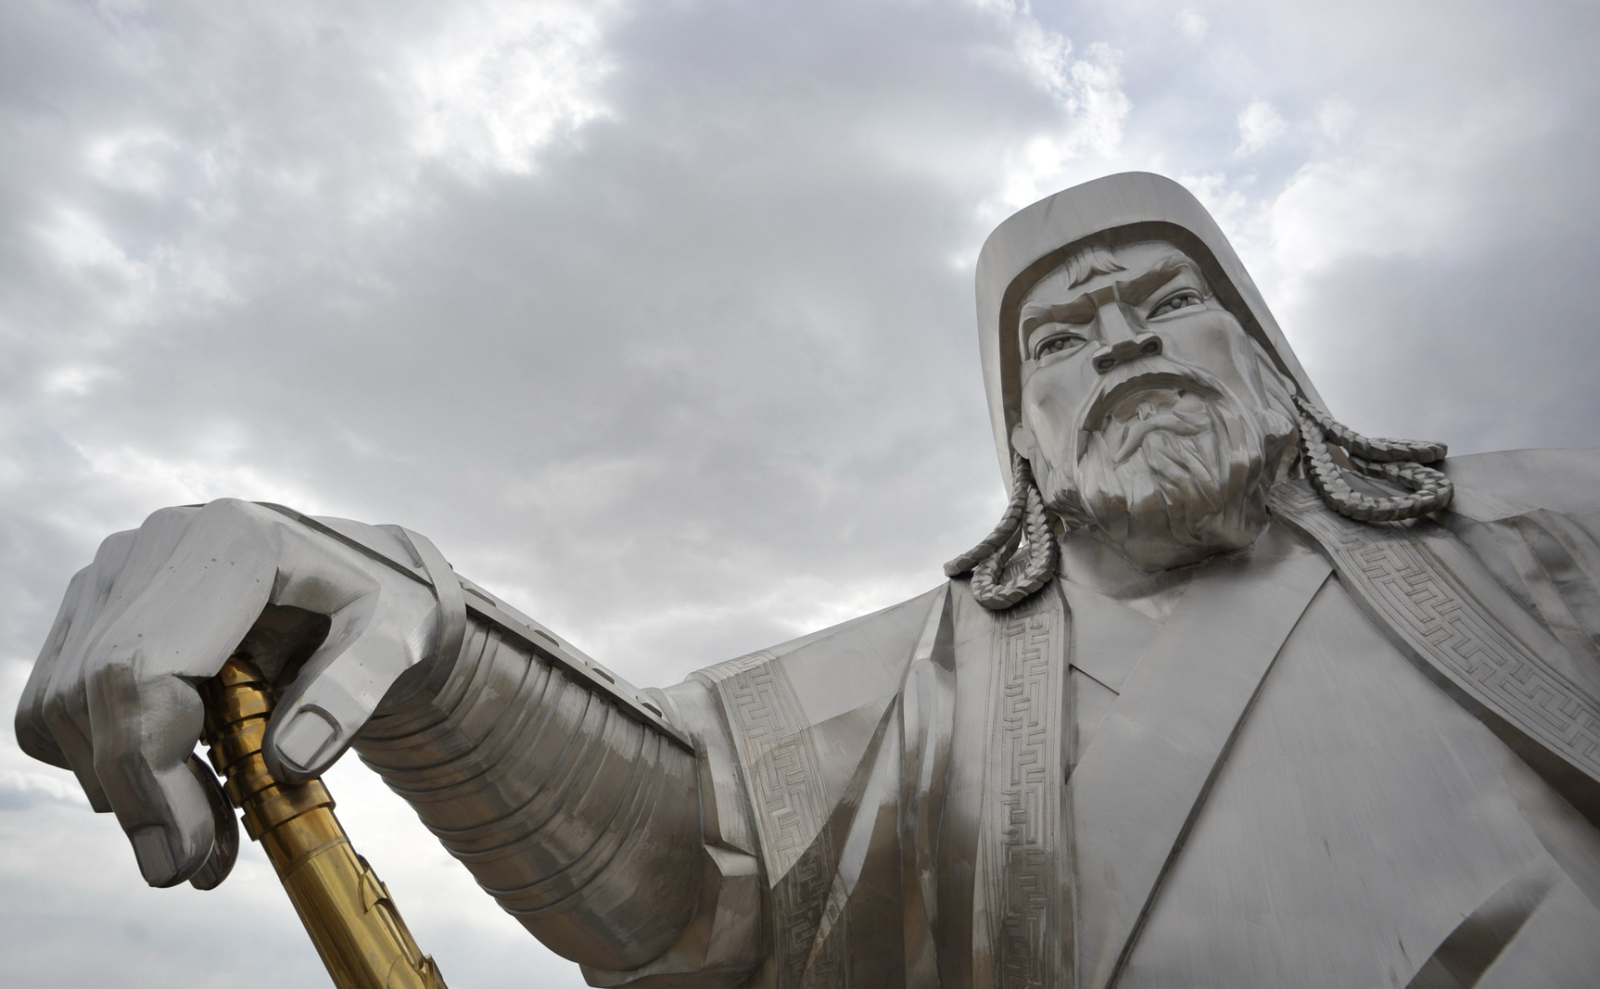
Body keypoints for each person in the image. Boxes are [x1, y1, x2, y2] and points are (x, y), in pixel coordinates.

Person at [17, 173, 1600, 989]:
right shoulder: (940, 687)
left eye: (1163, 301)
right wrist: (417, 621)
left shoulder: (1542, 529)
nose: (1117, 338)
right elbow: (687, 852)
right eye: (1059, 334)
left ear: (1269, 350)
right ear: (1023, 438)